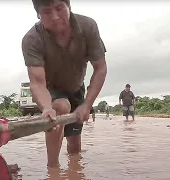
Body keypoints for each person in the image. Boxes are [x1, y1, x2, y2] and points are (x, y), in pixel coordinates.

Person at [22, 0, 107, 167]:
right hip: (51, 88)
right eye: (47, 12)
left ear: (69, 6)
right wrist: (47, 107)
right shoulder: (32, 39)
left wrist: (87, 105)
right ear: (38, 15)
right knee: (61, 106)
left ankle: (74, 171)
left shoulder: (88, 27)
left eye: (59, 8)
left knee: (75, 148)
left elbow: (100, 68)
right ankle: (52, 169)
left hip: (76, 86)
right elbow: (38, 82)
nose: (54, 17)